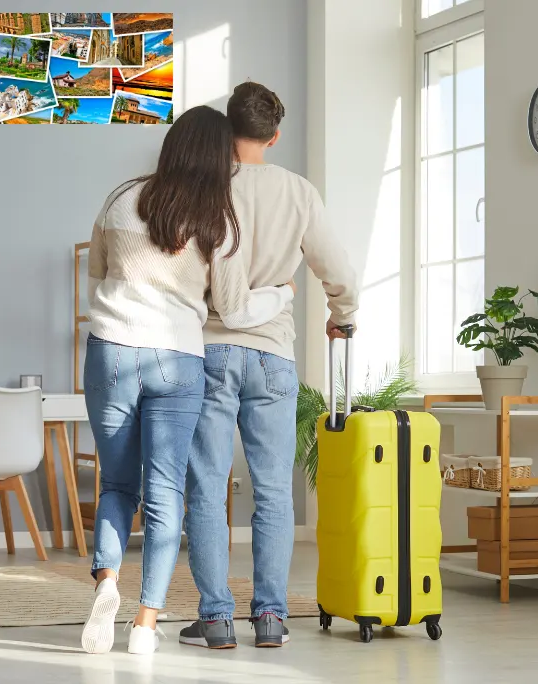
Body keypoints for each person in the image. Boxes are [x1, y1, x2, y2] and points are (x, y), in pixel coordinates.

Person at [81, 105, 296, 656]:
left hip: (111, 348)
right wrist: (283, 294)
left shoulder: (120, 197)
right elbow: (234, 307)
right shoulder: (216, 222)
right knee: (166, 493)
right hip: (177, 359)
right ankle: (147, 624)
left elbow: (97, 272)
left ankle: (106, 583)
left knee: (117, 486)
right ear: (221, 156)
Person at [179, 82, 359, 650]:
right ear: (273, 136)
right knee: (274, 491)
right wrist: (341, 315)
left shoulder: (202, 187)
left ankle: (215, 619)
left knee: (208, 487)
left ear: (225, 130)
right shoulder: (299, 192)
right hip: (274, 354)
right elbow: (339, 271)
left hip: (209, 347)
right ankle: (272, 618)